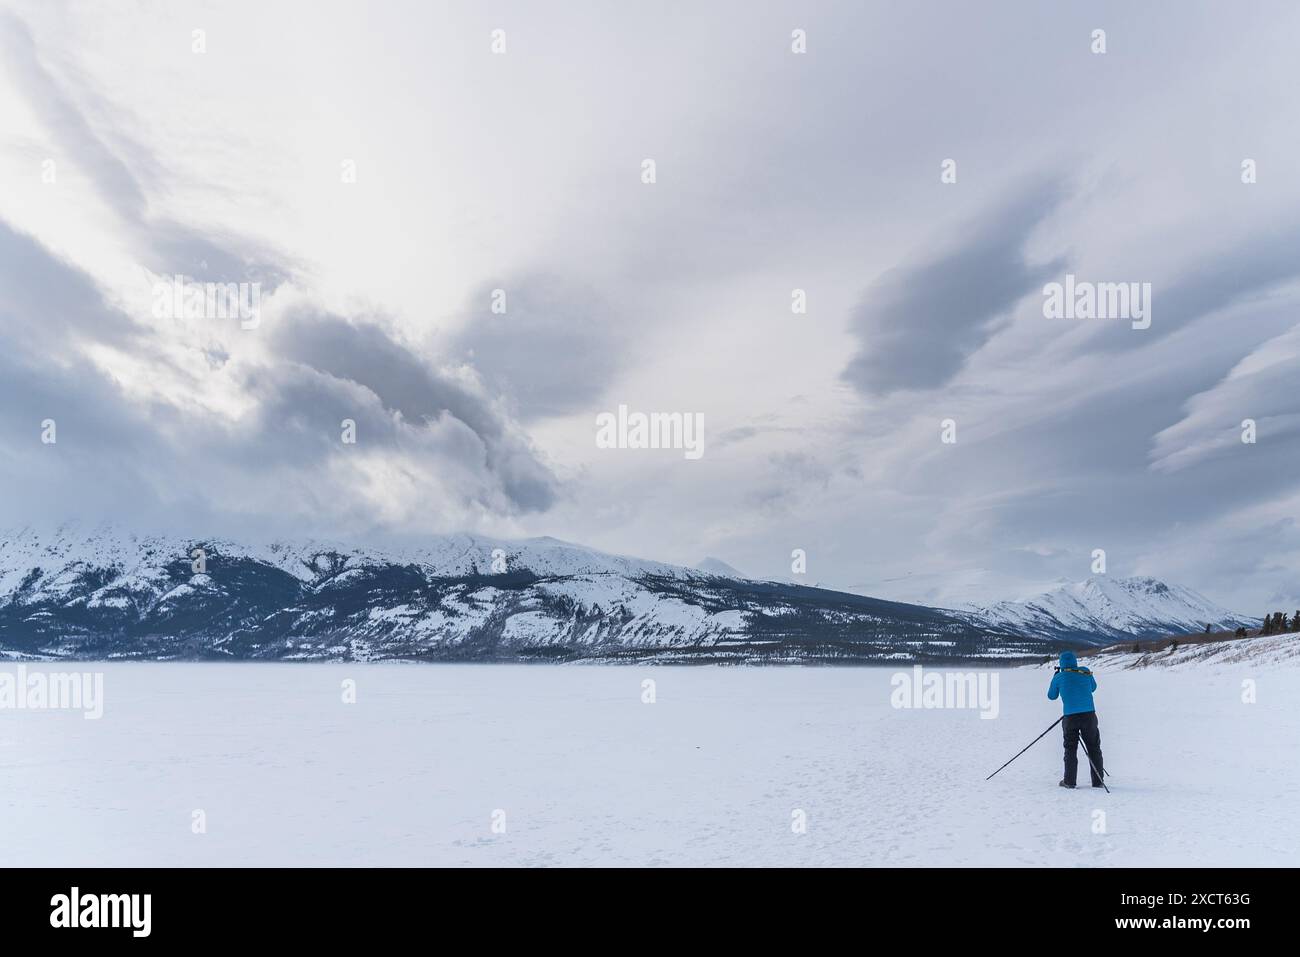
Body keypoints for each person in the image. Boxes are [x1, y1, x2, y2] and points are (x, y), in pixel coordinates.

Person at [1047, 650, 1104, 788]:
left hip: (1070, 717)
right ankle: (1098, 782)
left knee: (1070, 749)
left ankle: (1069, 781)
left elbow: (1051, 696)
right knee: (1094, 748)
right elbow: (1093, 687)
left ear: (1061, 663)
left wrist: (1056, 677)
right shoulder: (1084, 672)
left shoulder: (1059, 677)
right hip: (1089, 716)